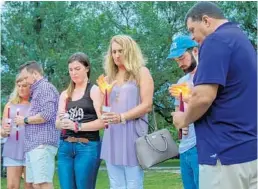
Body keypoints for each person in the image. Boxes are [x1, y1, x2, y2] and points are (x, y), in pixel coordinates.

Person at [172, 2, 257, 189]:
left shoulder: (214, 41)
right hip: (249, 152)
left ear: (206, 20)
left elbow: (203, 97)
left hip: (222, 155)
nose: (192, 37)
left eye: (192, 29)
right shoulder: (242, 40)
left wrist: (183, 119)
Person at [100, 34, 154, 189]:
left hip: (133, 133)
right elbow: (105, 108)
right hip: (113, 134)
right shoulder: (109, 77)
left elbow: (147, 105)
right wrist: (104, 110)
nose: (116, 55)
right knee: (115, 184)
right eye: (113, 51)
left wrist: (122, 117)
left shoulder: (141, 72)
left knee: (133, 183)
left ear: (129, 51)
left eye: (120, 51)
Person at [55, 52, 105, 189]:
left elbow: (102, 122)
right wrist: (62, 122)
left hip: (87, 146)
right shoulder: (65, 94)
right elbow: (57, 123)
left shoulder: (94, 91)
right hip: (65, 146)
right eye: (71, 70)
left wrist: (77, 126)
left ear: (87, 68)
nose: (73, 73)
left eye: (77, 69)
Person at [15, 61, 60, 189]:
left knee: (43, 183)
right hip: (34, 145)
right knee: (36, 184)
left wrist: (25, 120)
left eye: (25, 77)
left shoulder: (45, 88)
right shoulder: (37, 91)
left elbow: (46, 115)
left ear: (34, 74)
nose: (25, 81)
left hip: (42, 144)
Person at [167, 35, 199, 189]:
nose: (180, 63)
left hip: (201, 145)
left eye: (182, 57)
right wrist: (180, 124)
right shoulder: (181, 83)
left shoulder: (206, 77)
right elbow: (176, 114)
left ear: (195, 51)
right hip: (184, 146)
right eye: (176, 60)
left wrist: (189, 99)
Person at [1, 75, 33, 189]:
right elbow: (3, 128)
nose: (21, 88)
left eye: (24, 86)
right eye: (18, 86)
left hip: (31, 149)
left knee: (30, 186)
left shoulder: (34, 105)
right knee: (12, 186)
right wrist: (4, 131)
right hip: (12, 148)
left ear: (31, 87)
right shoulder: (9, 105)